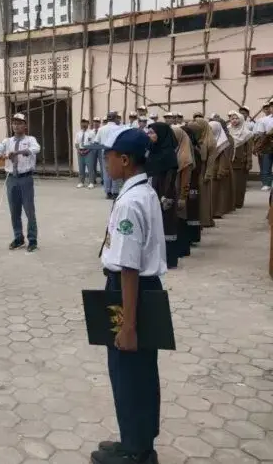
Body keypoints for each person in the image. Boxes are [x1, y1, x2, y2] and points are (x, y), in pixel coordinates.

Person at [92, 127, 165, 464]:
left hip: (129, 293)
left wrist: (128, 325)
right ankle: (136, 441)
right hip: (141, 291)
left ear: (124, 160)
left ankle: (136, 452)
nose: (105, 162)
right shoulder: (143, 192)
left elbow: (129, 267)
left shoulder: (130, 203)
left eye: (108, 156)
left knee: (129, 373)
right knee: (140, 372)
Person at [0, 113, 41, 252]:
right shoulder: (7, 141)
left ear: (25, 125)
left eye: (19, 123)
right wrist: (1, 156)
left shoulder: (30, 140)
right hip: (11, 179)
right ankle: (18, 238)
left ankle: (32, 240)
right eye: (14, 123)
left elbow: (36, 148)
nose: (16, 126)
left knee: (29, 210)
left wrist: (19, 152)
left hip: (25, 178)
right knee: (14, 210)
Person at [146, 123, 179, 269]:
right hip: (151, 190)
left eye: (152, 133)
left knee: (166, 224)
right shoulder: (151, 150)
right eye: (148, 132)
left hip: (164, 193)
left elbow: (170, 178)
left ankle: (169, 259)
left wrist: (166, 196)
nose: (149, 135)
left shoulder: (169, 154)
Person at [187, 119, 217, 229]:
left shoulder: (210, 141)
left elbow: (211, 159)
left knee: (204, 197)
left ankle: (204, 220)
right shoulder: (195, 139)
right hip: (197, 170)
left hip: (204, 170)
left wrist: (208, 174)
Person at [172, 125, 195, 258]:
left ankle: (182, 249)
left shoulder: (185, 156)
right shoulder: (175, 151)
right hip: (173, 192)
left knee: (180, 221)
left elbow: (186, 180)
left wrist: (182, 197)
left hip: (180, 193)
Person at [228, 111, 253, 209]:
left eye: (236, 118)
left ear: (241, 119)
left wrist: (249, 162)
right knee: (230, 184)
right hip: (229, 161)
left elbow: (249, 150)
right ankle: (230, 203)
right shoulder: (228, 131)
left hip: (241, 162)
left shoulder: (247, 133)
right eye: (232, 118)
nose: (234, 120)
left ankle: (238, 202)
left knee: (239, 184)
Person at [95, 112, 123, 200]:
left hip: (105, 152)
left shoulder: (101, 129)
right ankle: (115, 192)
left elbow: (96, 141)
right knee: (115, 171)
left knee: (106, 172)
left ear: (107, 119)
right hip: (115, 152)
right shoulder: (119, 128)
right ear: (115, 118)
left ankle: (108, 192)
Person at [182, 126, 203, 246]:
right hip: (187, 185)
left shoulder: (194, 151)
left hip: (192, 185)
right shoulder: (184, 149)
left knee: (192, 210)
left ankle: (192, 237)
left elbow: (196, 170)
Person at [210, 120, 233, 219]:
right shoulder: (210, 139)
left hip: (217, 172)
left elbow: (224, 159)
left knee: (218, 193)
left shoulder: (223, 142)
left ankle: (217, 212)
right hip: (210, 171)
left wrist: (221, 172)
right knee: (211, 193)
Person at [75, 118, 97, 188]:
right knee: (81, 167)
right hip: (80, 152)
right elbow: (76, 143)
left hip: (88, 151)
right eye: (82, 122)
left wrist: (87, 150)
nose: (83, 124)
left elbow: (93, 143)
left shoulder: (91, 133)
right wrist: (78, 150)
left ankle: (91, 182)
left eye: (85, 122)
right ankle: (81, 182)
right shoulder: (78, 133)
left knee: (90, 167)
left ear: (88, 124)